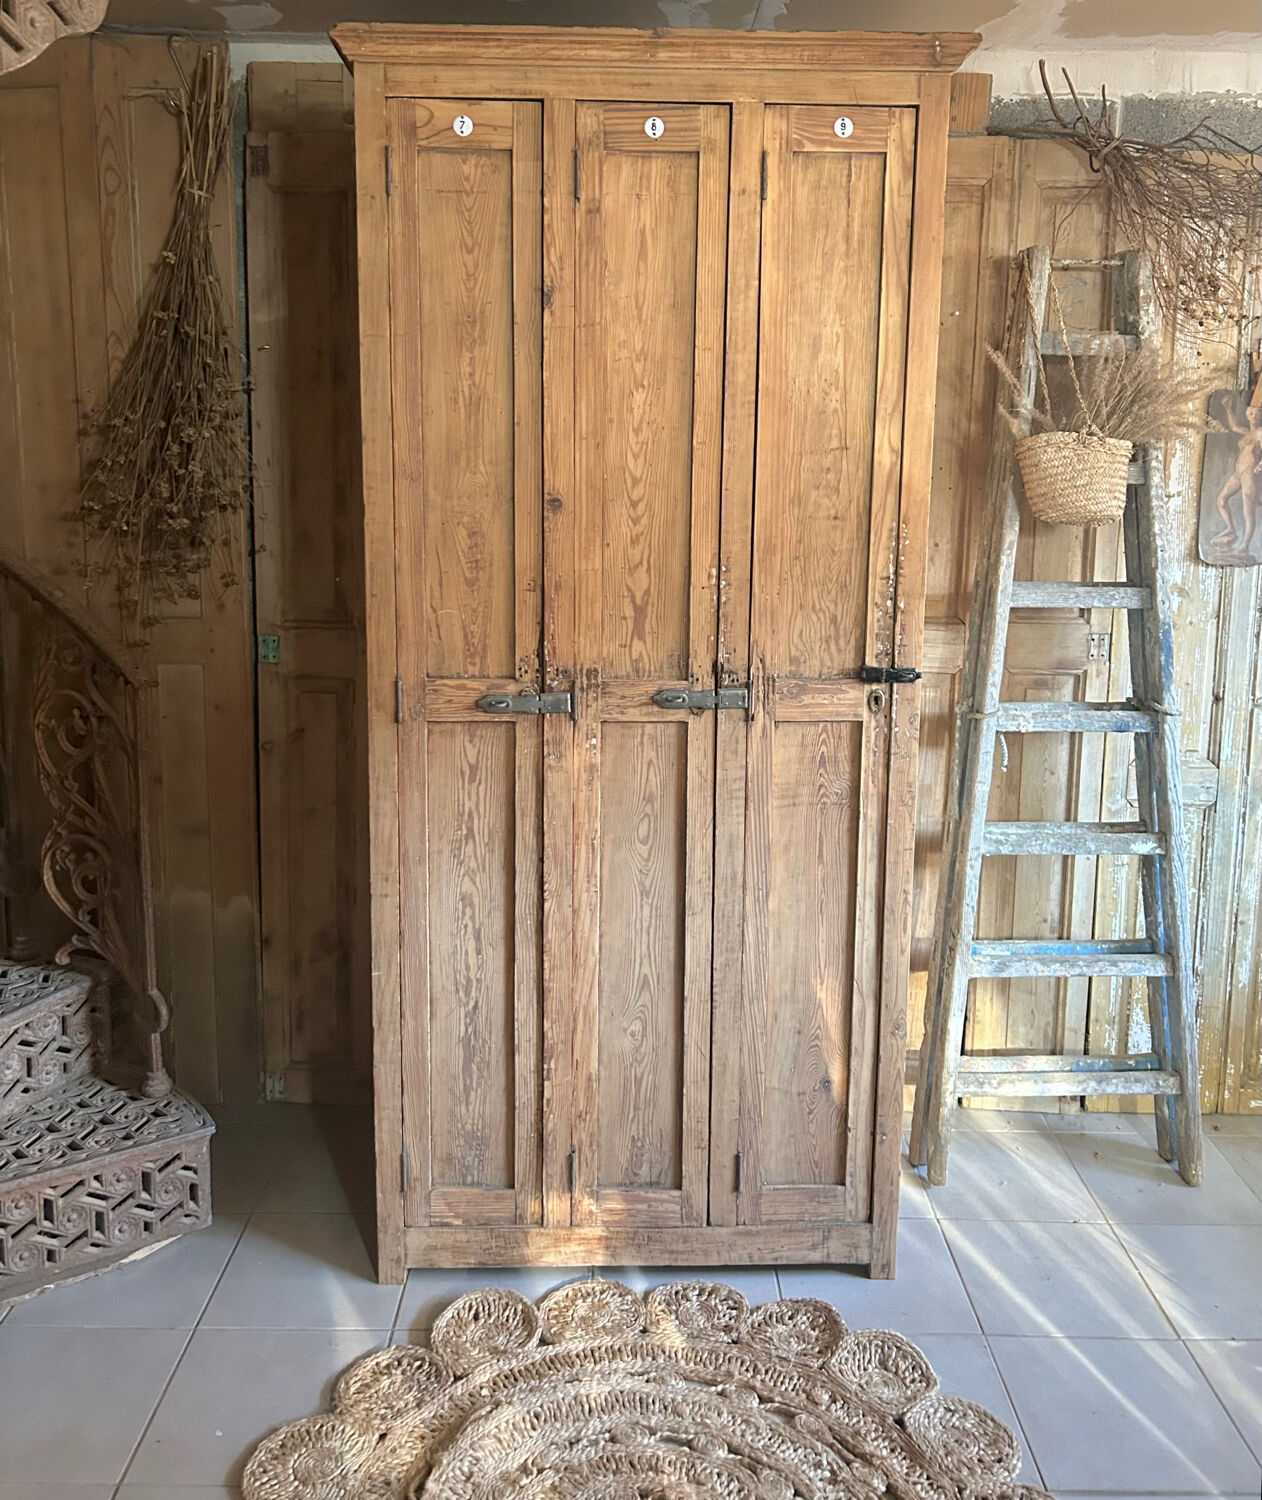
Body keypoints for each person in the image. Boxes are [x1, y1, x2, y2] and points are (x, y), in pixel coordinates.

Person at [1212, 394, 1262, 555]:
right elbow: (1233, 426)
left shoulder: (1261, 433)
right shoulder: (1247, 432)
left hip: (1249, 475)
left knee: (1249, 511)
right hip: (1237, 474)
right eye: (1250, 413)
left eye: (1256, 413)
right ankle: (1231, 529)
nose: (1253, 416)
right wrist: (1228, 408)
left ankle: (1245, 546)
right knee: (1221, 499)